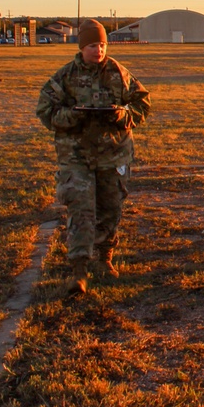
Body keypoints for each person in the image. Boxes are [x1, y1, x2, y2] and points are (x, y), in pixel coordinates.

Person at [36, 19, 151, 294]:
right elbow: (46, 112)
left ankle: (105, 258)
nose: (98, 50)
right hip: (77, 156)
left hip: (113, 155)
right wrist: (72, 116)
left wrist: (122, 115)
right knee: (81, 209)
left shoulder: (118, 73)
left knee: (110, 207)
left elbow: (142, 103)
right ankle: (79, 269)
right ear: (81, 47)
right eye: (92, 45)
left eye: (101, 45)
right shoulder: (65, 77)